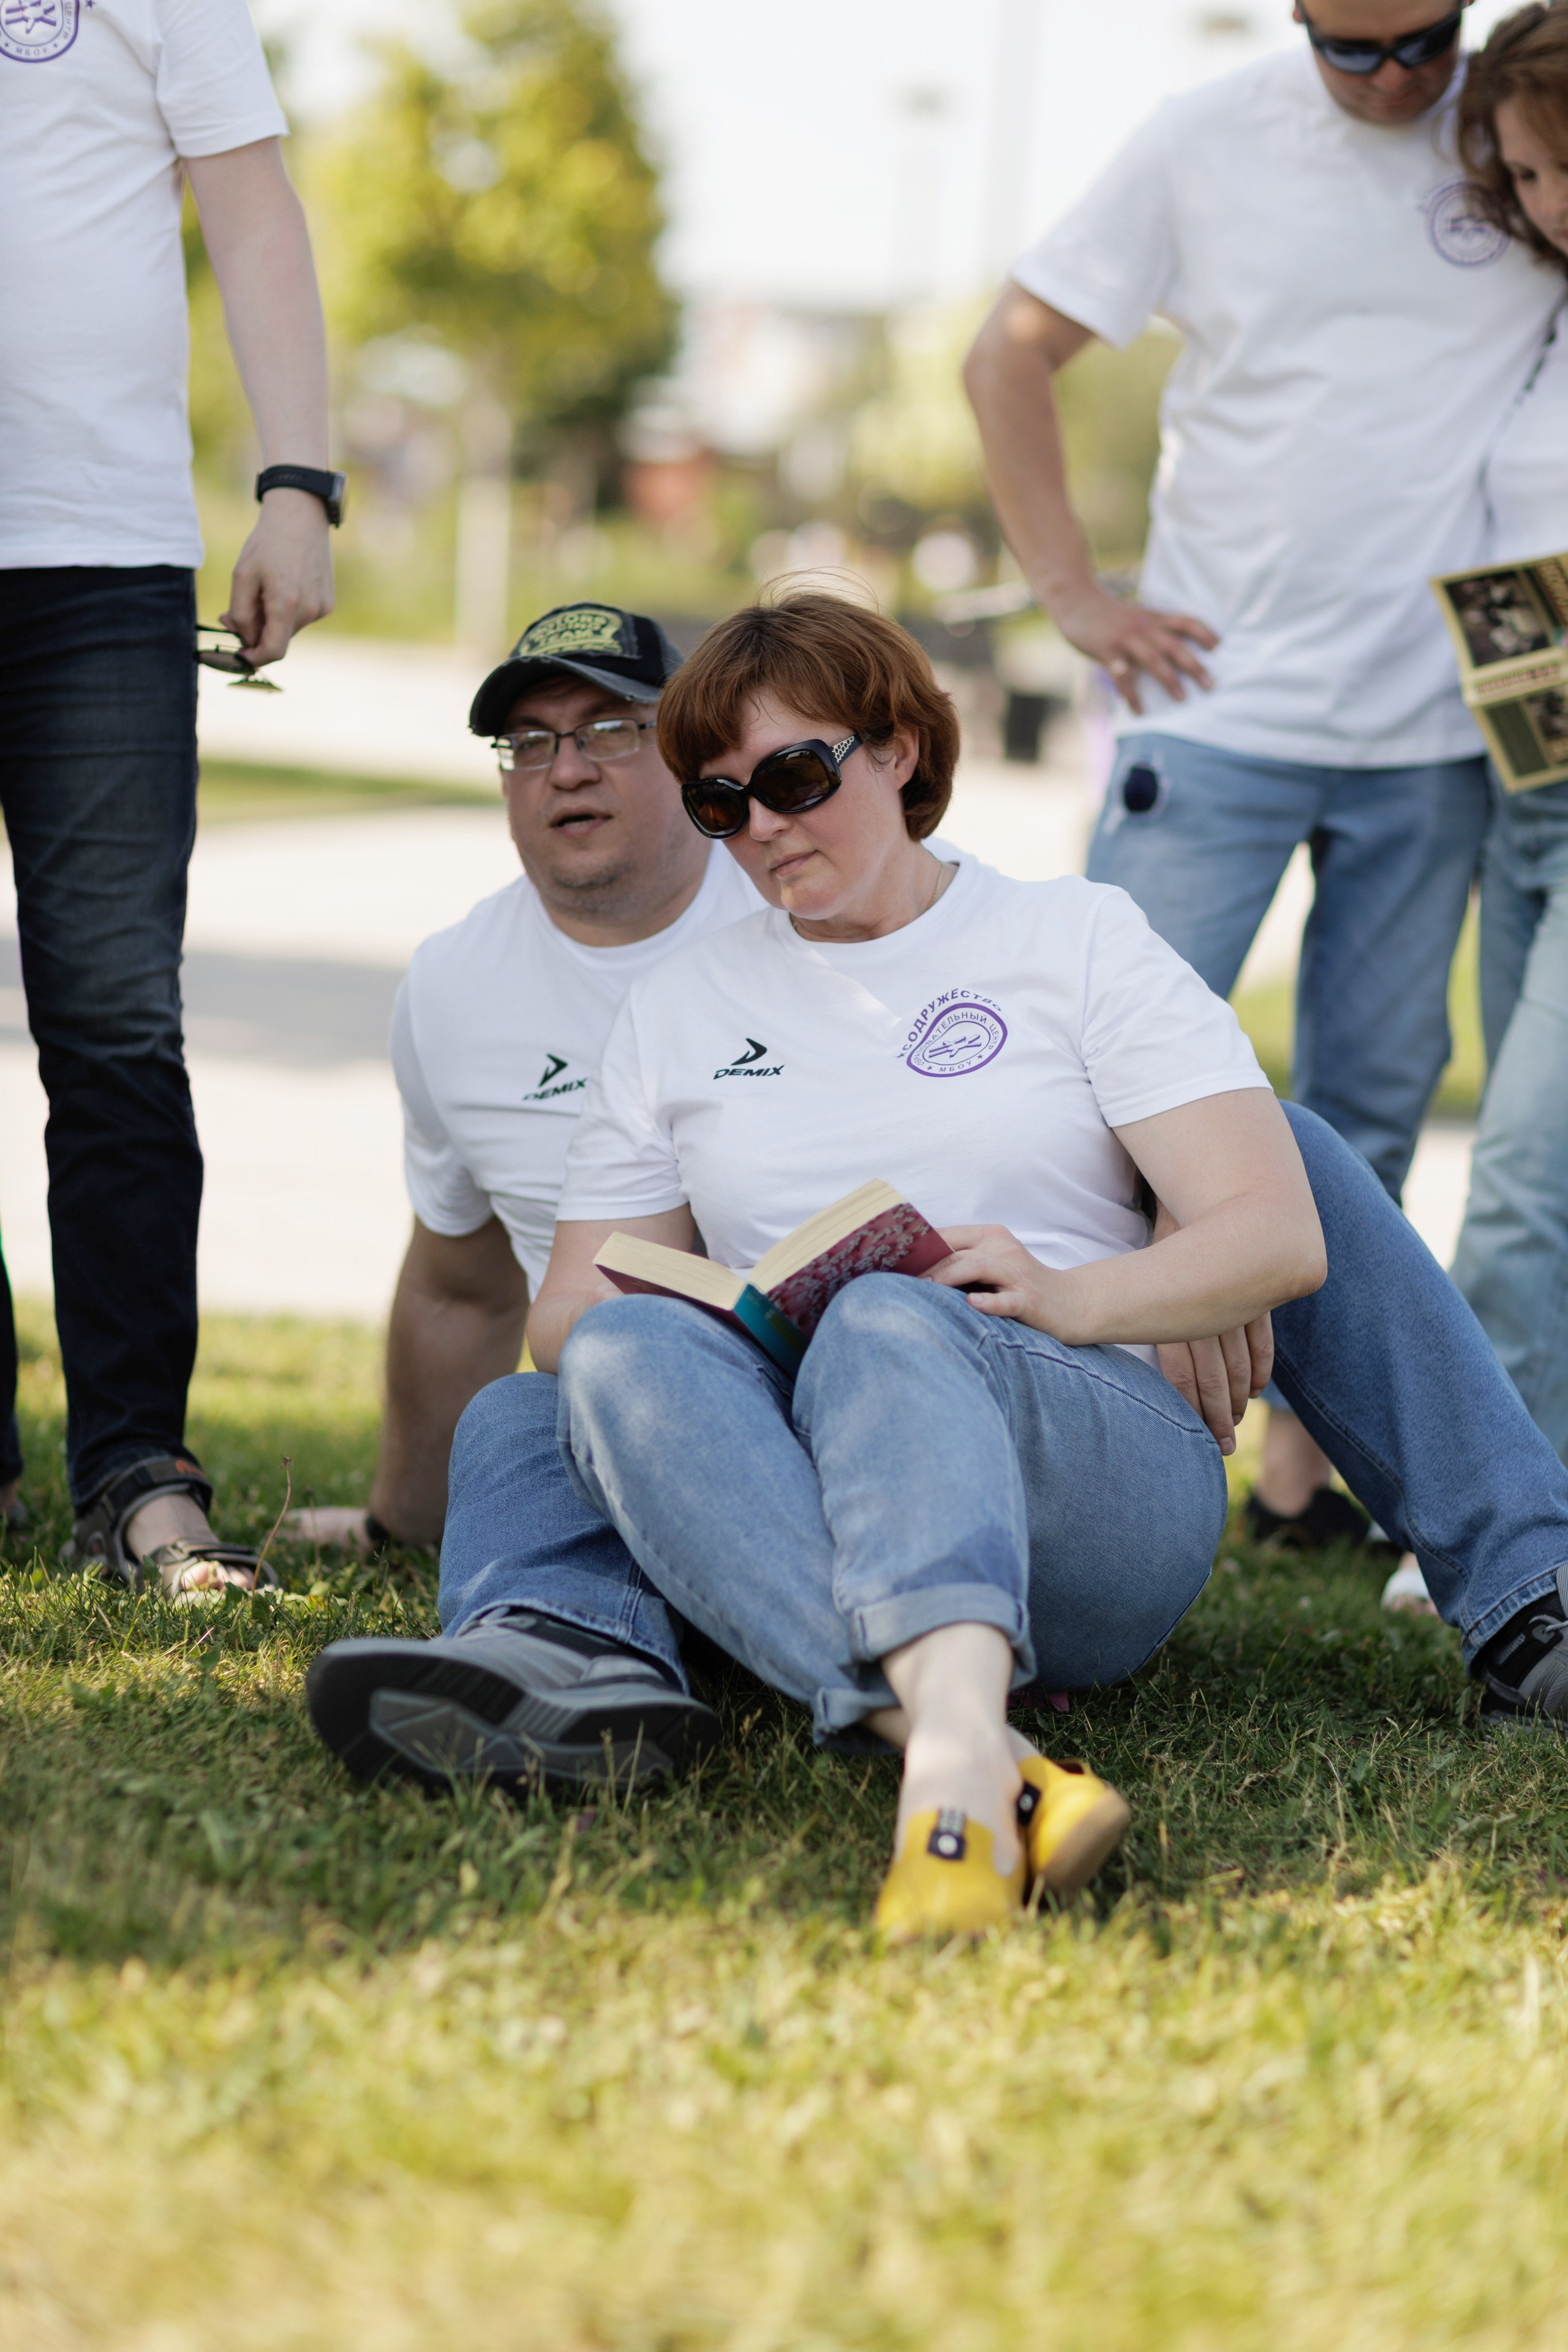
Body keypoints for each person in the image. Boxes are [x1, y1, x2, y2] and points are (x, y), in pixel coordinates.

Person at [306, 598, 1568, 1939]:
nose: (767, 827)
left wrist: (1075, 1292)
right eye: (724, 802)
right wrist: (729, 1328)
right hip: (799, 1469)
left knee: (895, 1317)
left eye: (795, 777)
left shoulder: (1068, 939)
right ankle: (943, 1750)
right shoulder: (676, 1011)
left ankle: (1524, 1588)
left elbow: (1278, 1232)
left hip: (1083, 1480)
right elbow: (563, 1308)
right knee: (576, 1375)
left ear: (900, 748)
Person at [963, 0, 1563, 1561]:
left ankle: (1304, 1476)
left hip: (1434, 738)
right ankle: (1021, 1426)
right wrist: (1071, 593)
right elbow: (1008, 350)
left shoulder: (1517, 141)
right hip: (1214, 717)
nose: (1386, 81)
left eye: (1416, 42)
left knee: (1360, 1111)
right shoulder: (1200, 138)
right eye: (1344, 48)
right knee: (1081, 1095)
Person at [2, 0, 338, 1596]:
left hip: (94, 559)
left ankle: (137, 1469)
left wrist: (298, 484)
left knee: (116, 1027)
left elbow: (254, 209)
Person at [288, 602, 763, 1558]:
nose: (567, 768)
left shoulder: (805, 899)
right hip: (615, 1422)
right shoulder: (454, 985)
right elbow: (460, 1284)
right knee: (522, 1422)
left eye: (610, 729)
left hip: (826, 1385)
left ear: (690, 749)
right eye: (529, 743)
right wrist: (400, 1523)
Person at [1447, 6, 1568, 1453]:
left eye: (1562, 170)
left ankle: (1495, 1527)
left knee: (1522, 1168)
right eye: (1521, 177)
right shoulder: (1535, 312)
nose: (1544, 208)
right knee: (1535, 1152)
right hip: (1517, 772)